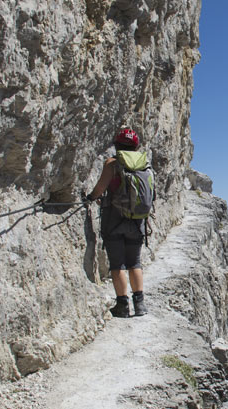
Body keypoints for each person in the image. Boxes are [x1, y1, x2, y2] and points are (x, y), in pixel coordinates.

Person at [86, 128, 152, 318]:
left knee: (118, 264)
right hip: (138, 221)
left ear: (117, 145)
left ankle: (122, 305)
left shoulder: (112, 164)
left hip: (114, 218)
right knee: (135, 262)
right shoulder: (144, 165)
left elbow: (100, 188)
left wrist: (90, 198)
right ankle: (140, 305)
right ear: (136, 146)